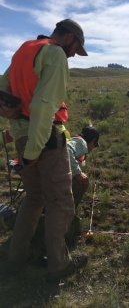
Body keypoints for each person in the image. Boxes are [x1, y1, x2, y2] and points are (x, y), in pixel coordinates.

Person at [0, 18, 88, 281]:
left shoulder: (25, 49)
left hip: (22, 136)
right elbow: (42, 107)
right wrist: (33, 153)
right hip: (45, 140)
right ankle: (59, 265)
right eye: (76, 49)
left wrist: (10, 115)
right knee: (60, 202)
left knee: (33, 198)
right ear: (70, 38)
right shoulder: (56, 54)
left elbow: (3, 90)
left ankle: (16, 258)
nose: (73, 55)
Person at [67, 126, 100, 208]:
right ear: (92, 141)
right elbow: (67, 150)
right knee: (82, 182)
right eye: (95, 145)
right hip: (54, 175)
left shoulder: (76, 141)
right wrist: (78, 173)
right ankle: (68, 212)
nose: (93, 148)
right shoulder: (82, 144)